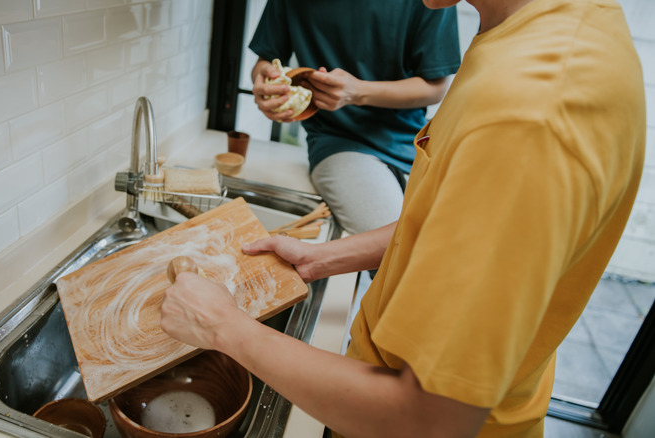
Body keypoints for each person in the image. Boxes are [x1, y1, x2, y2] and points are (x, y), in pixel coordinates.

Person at [162, 0, 646, 436]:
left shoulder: (529, 112)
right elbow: (448, 222)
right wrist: (322, 258)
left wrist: (224, 328)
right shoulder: (539, 35)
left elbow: (429, 419)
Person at [249, 0, 461, 235]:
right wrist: (266, 83)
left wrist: (358, 92)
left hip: (418, 145)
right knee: (403, 243)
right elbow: (265, 61)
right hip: (339, 142)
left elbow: (436, 87)